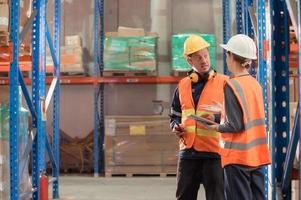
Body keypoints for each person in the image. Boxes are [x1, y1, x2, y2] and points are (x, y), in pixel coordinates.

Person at [204, 34, 271, 200]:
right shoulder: (254, 84)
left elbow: (235, 125)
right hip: (256, 155)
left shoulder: (232, 85)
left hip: (238, 158)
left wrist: (215, 127)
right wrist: (218, 116)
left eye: (227, 54)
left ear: (232, 56)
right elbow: (247, 115)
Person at [169, 34, 228, 200]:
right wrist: (175, 126)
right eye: (198, 58)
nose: (204, 61)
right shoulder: (183, 85)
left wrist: (216, 120)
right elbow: (174, 115)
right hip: (188, 153)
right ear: (190, 61)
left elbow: (234, 117)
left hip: (214, 154)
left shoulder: (224, 82)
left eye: (206, 56)